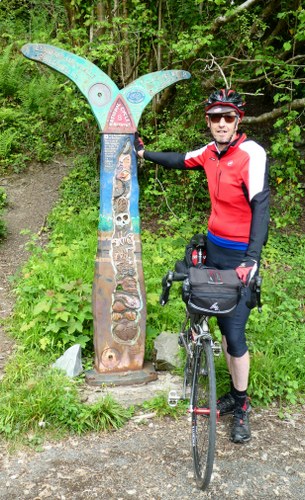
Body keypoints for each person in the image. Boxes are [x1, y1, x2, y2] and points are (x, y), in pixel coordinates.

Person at [135, 88, 270, 443]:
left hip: (240, 256)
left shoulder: (250, 154)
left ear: (238, 120)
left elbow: (261, 207)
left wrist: (252, 259)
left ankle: (241, 404)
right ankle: (206, 366)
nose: (221, 124)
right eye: (215, 117)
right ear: (208, 121)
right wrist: (144, 153)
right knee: (209, 314)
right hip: (212, 248)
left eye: (228, 118)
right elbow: (179, 159)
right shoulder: (209, 153)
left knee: (235, 333)